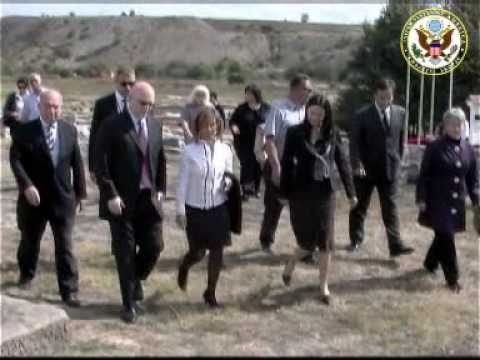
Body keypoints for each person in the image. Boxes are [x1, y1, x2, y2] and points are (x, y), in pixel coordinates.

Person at [94, 81, 166, 323]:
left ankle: (134, 279)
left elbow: (160, 159)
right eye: (143, 103)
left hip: (148, 198)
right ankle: (128, 305)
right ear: (131, 100)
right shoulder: (112, 125)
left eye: (151, 104)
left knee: (155, 246)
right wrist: (110, 194)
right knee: (124, 252)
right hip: (121, 201)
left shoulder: (155, 126)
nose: (147, 108)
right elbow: (100, 164)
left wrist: (161, 189)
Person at [9, 89, 87, 307]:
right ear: (40, 106)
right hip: (34, 199)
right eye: (50, 106)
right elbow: (15, 161)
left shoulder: (69, 131)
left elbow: (77, 163)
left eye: (57, 106)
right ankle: (27, 273)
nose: (54, 110)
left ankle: (69, 290)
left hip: (62, 198)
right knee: (30, 240)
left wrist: (79, 194)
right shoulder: (25, 132)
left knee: (65, 245)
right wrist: (26, 185)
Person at [280, 94, 357, 304]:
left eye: (320, 114)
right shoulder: (295, 133)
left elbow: (343, 163)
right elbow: (286, 164)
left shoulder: (333, 134)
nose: (315, 117)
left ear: (326, 115)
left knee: (325, 241)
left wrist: (351, 193)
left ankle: (323, 286)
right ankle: (291, 262)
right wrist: (284, 193)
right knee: (306, 243)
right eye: (312, 113)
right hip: (300, 194)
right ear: (307, 112)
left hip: (325, 194)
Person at [348, 78, 414, 257]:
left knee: (390, 208)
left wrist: (399, 160)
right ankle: (355, 239)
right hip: (365, 170)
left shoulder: (400, 113)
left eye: (389, 97)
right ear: (375, 95)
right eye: (382, 97)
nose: (386, 100)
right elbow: (354, 144)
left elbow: (401, 140)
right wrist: (356, 164)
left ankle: (395, 245)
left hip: (389, 169)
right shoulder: (362, 115)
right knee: (359, 207)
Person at [416, 108, 479, 293]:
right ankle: (453, 279)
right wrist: (421, 197)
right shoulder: (434, 147)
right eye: (452, 123)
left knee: (442, 236)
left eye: (459, 124)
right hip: (437, 201)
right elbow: (424, 175)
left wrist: (476, 201)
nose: (456, 127)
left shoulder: (468, 149)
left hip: (456, 202)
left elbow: (472, 179)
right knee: (447, 237)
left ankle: (430, 263)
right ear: (445, 126)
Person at [176, 107, 233, 308]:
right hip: (195, 209)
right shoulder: (189, 152)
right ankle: (184, 266)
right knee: (198, 252)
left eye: (213, 125)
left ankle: (210, 293)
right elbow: (182, 183)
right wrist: (180, 211)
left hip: (218, 208)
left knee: (217, 251)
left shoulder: (226, 150)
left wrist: (228, 183)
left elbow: (229, 173)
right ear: (197, 128)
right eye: (205, 125)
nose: (210, 129)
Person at [259, 73, 313, 255]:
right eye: (307, 89)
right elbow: (269, 139)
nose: (309, 93)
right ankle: (266, 241)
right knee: (274, 206)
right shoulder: (279, 109)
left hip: (300, 168)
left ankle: (305, 247)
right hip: (279, 163)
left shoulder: (307, 111)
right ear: (295, 89)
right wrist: (275, 166)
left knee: (302, 208)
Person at [88, 67, 136, 183]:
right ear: (116, 82)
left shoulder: (140, 103)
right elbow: (94, 135)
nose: (128, 88)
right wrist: (92, 167)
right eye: (124, 84)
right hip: (108, 165)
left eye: (131, 84)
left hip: (134, 165)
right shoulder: (102, 105)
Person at [229, 84, 271, 200]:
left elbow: (272, 122)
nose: (247, 96)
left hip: (260, 142)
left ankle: (256, 189)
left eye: (250, 94)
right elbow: (233, 120)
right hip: (243, 142)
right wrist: (234, 127)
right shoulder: (241, 108)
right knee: (246, 164)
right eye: (246, 94)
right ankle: (245, 190)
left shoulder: (266, 108)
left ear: (256, 95)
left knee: (258, 165)